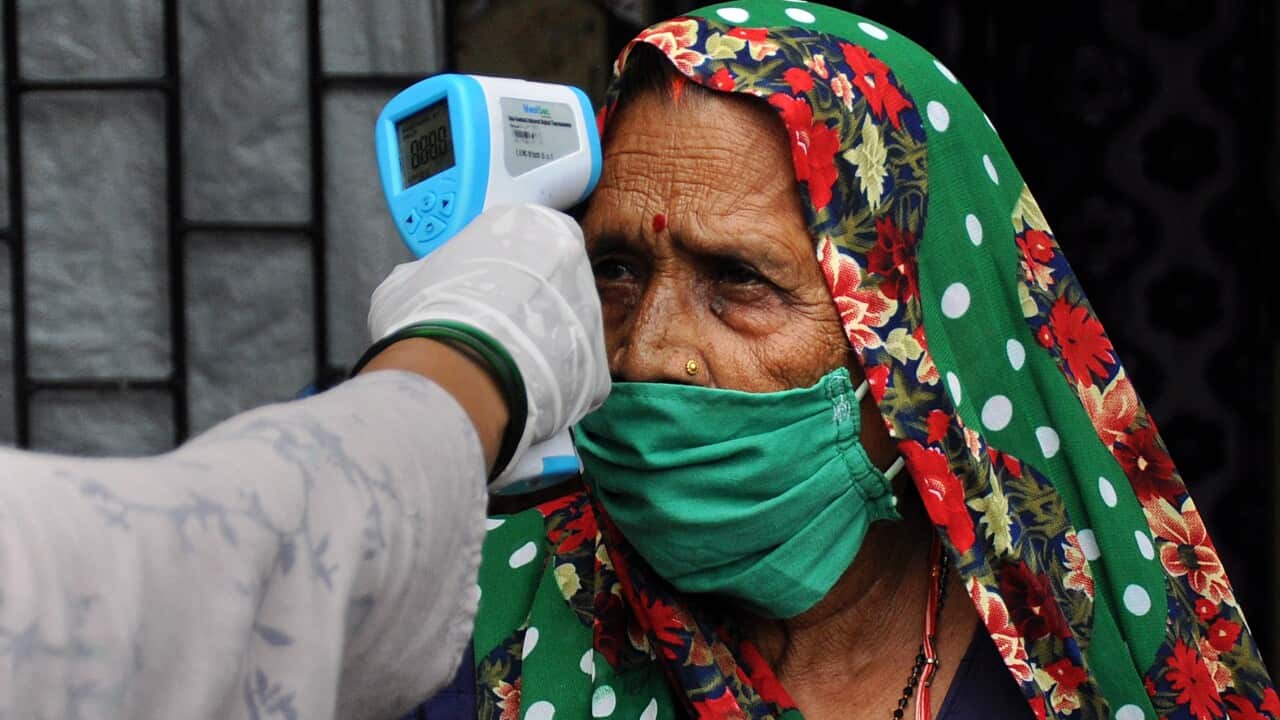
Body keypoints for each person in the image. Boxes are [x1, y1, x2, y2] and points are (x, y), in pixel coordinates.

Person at [429, 3, 1277, 720]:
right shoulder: (458, 623)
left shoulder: (1086, 645)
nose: (646, 352)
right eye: (616, 269)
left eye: (739, 280)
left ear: (917, 346)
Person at [0, 204, 611, 719]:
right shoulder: (482, 577)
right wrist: (472, 360)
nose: (662, 353)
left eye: (715, 277)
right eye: (611, 271)